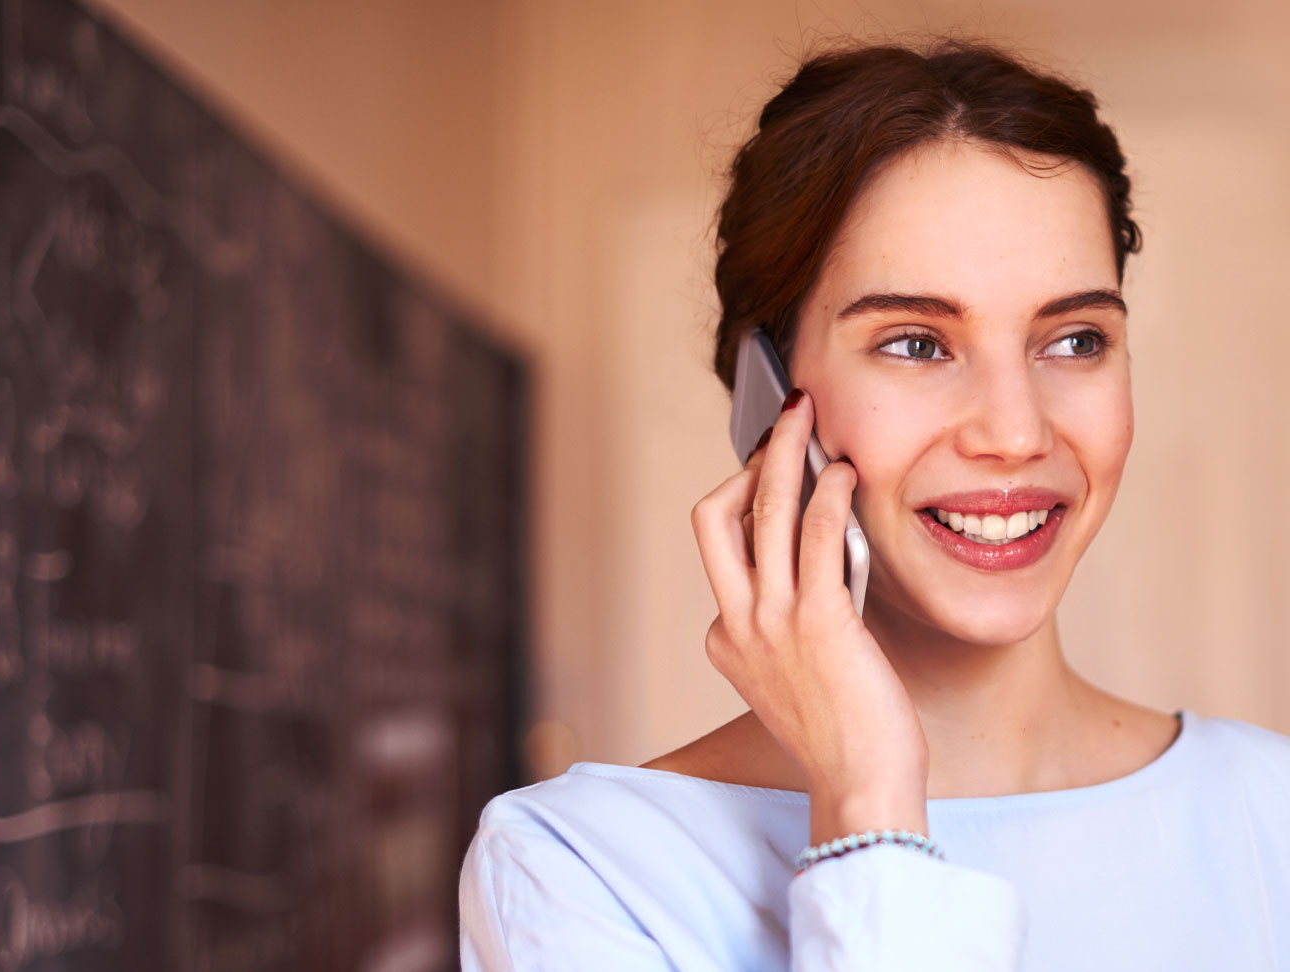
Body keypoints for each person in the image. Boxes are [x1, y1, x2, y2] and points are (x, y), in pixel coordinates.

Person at [459, 36, 1290, 971]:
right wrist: (868, 807)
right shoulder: (587, 871)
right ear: (764, 394)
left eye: (1075, 340)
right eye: (914, 343)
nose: (1015, 434)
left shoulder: (1271, 814)